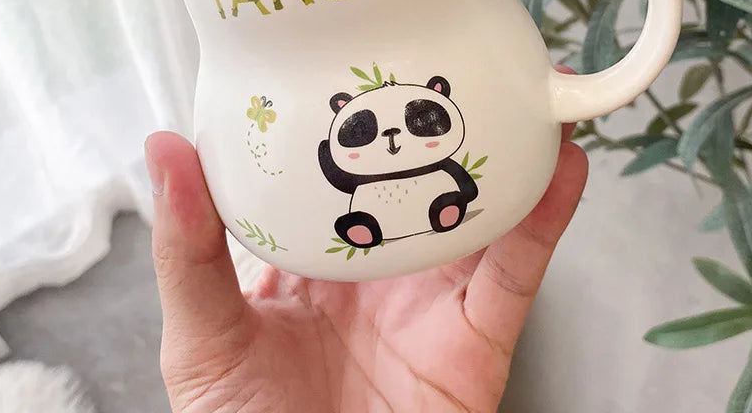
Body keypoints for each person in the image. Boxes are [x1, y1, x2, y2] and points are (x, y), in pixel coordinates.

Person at [145, 117, 587, 413]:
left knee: (448, 202)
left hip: (432, 194)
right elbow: (339, 176)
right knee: (370, 217)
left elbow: (463, 180)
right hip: (374, 207)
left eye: (417, 122)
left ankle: (429, 213)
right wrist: (326, 155)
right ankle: (368, 226)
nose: (392, 137)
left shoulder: (439, 164)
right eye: (364, 131)